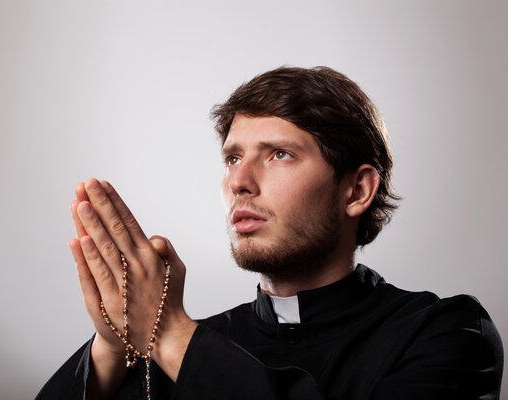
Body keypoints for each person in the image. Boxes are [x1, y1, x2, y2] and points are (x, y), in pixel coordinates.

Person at [37, 66, 503, 400]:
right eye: (233, 157)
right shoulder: (182, 344)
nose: (239, 181)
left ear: (357, 190)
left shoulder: (447, 331)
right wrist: (114, 345)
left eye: (278, 153)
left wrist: (170, 334)